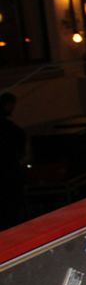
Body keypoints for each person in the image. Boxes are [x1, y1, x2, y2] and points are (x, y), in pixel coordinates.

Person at [1, 91, 27, 230]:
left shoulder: (11, 129)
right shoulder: (11, 129)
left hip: (8, 172)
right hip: (9, 174)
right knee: (11, 209)